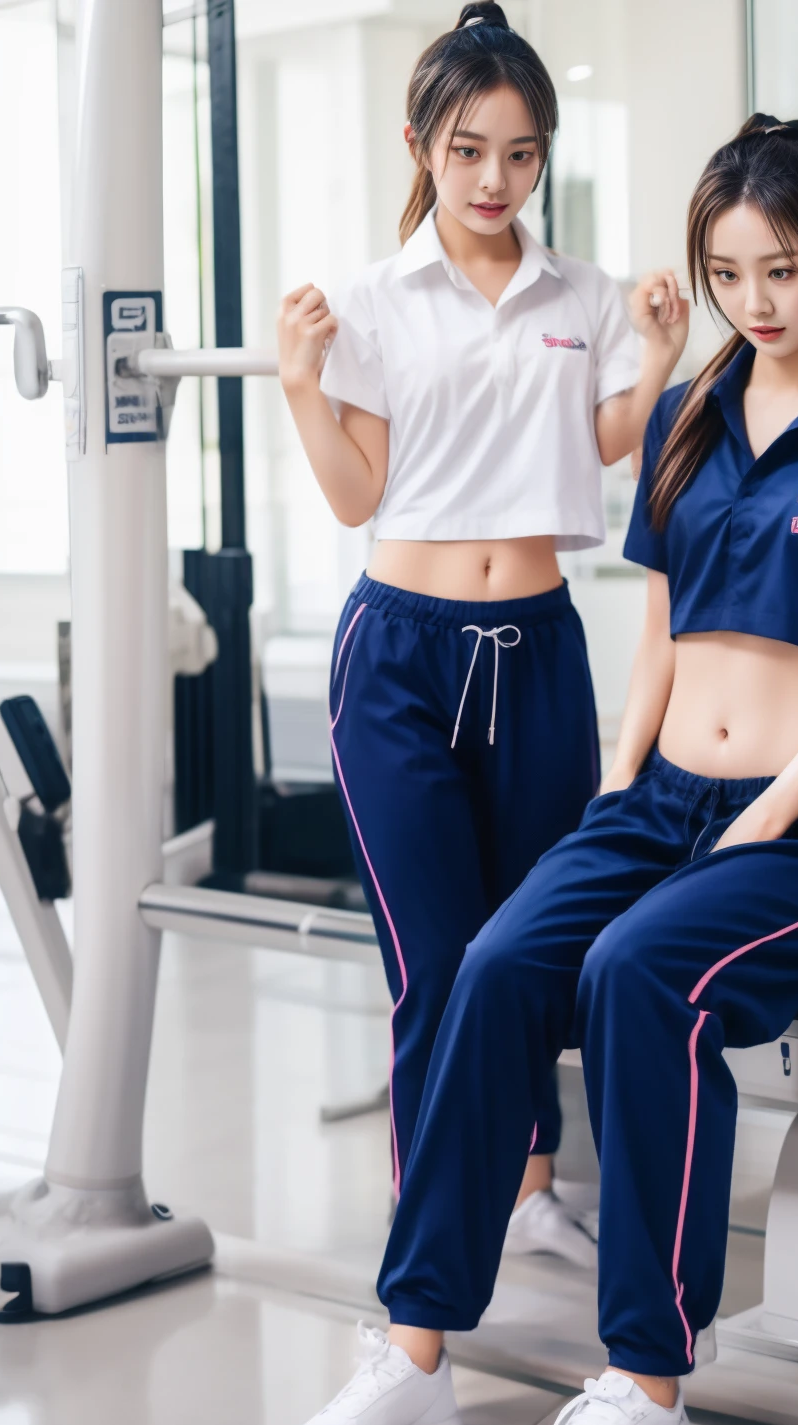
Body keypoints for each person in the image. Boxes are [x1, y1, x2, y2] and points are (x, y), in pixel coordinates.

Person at [272, 114, 798, 1425]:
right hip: (658, 796)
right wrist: (618, 794)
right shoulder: (693, 412)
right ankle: (414, 1354)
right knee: (493, 965)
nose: (755, 301)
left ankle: (650, 1396)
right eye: (727, 274)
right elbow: (658, 629)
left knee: (639, 973)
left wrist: (767, 813)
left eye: (781, 269)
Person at [274, 2, 688, 1267]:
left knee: (532, 940)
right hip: (402, 655)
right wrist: (300, 385)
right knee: (437, 958)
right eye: (467, 150)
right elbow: (358, 497)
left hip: (540, 649)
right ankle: (432, 1236)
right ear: (420, 147)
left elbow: (601, 448)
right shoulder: (375, 301)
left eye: (519, 152)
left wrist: (661, 355)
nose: (495, 179)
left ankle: (533, 1189)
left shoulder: (586, 297)